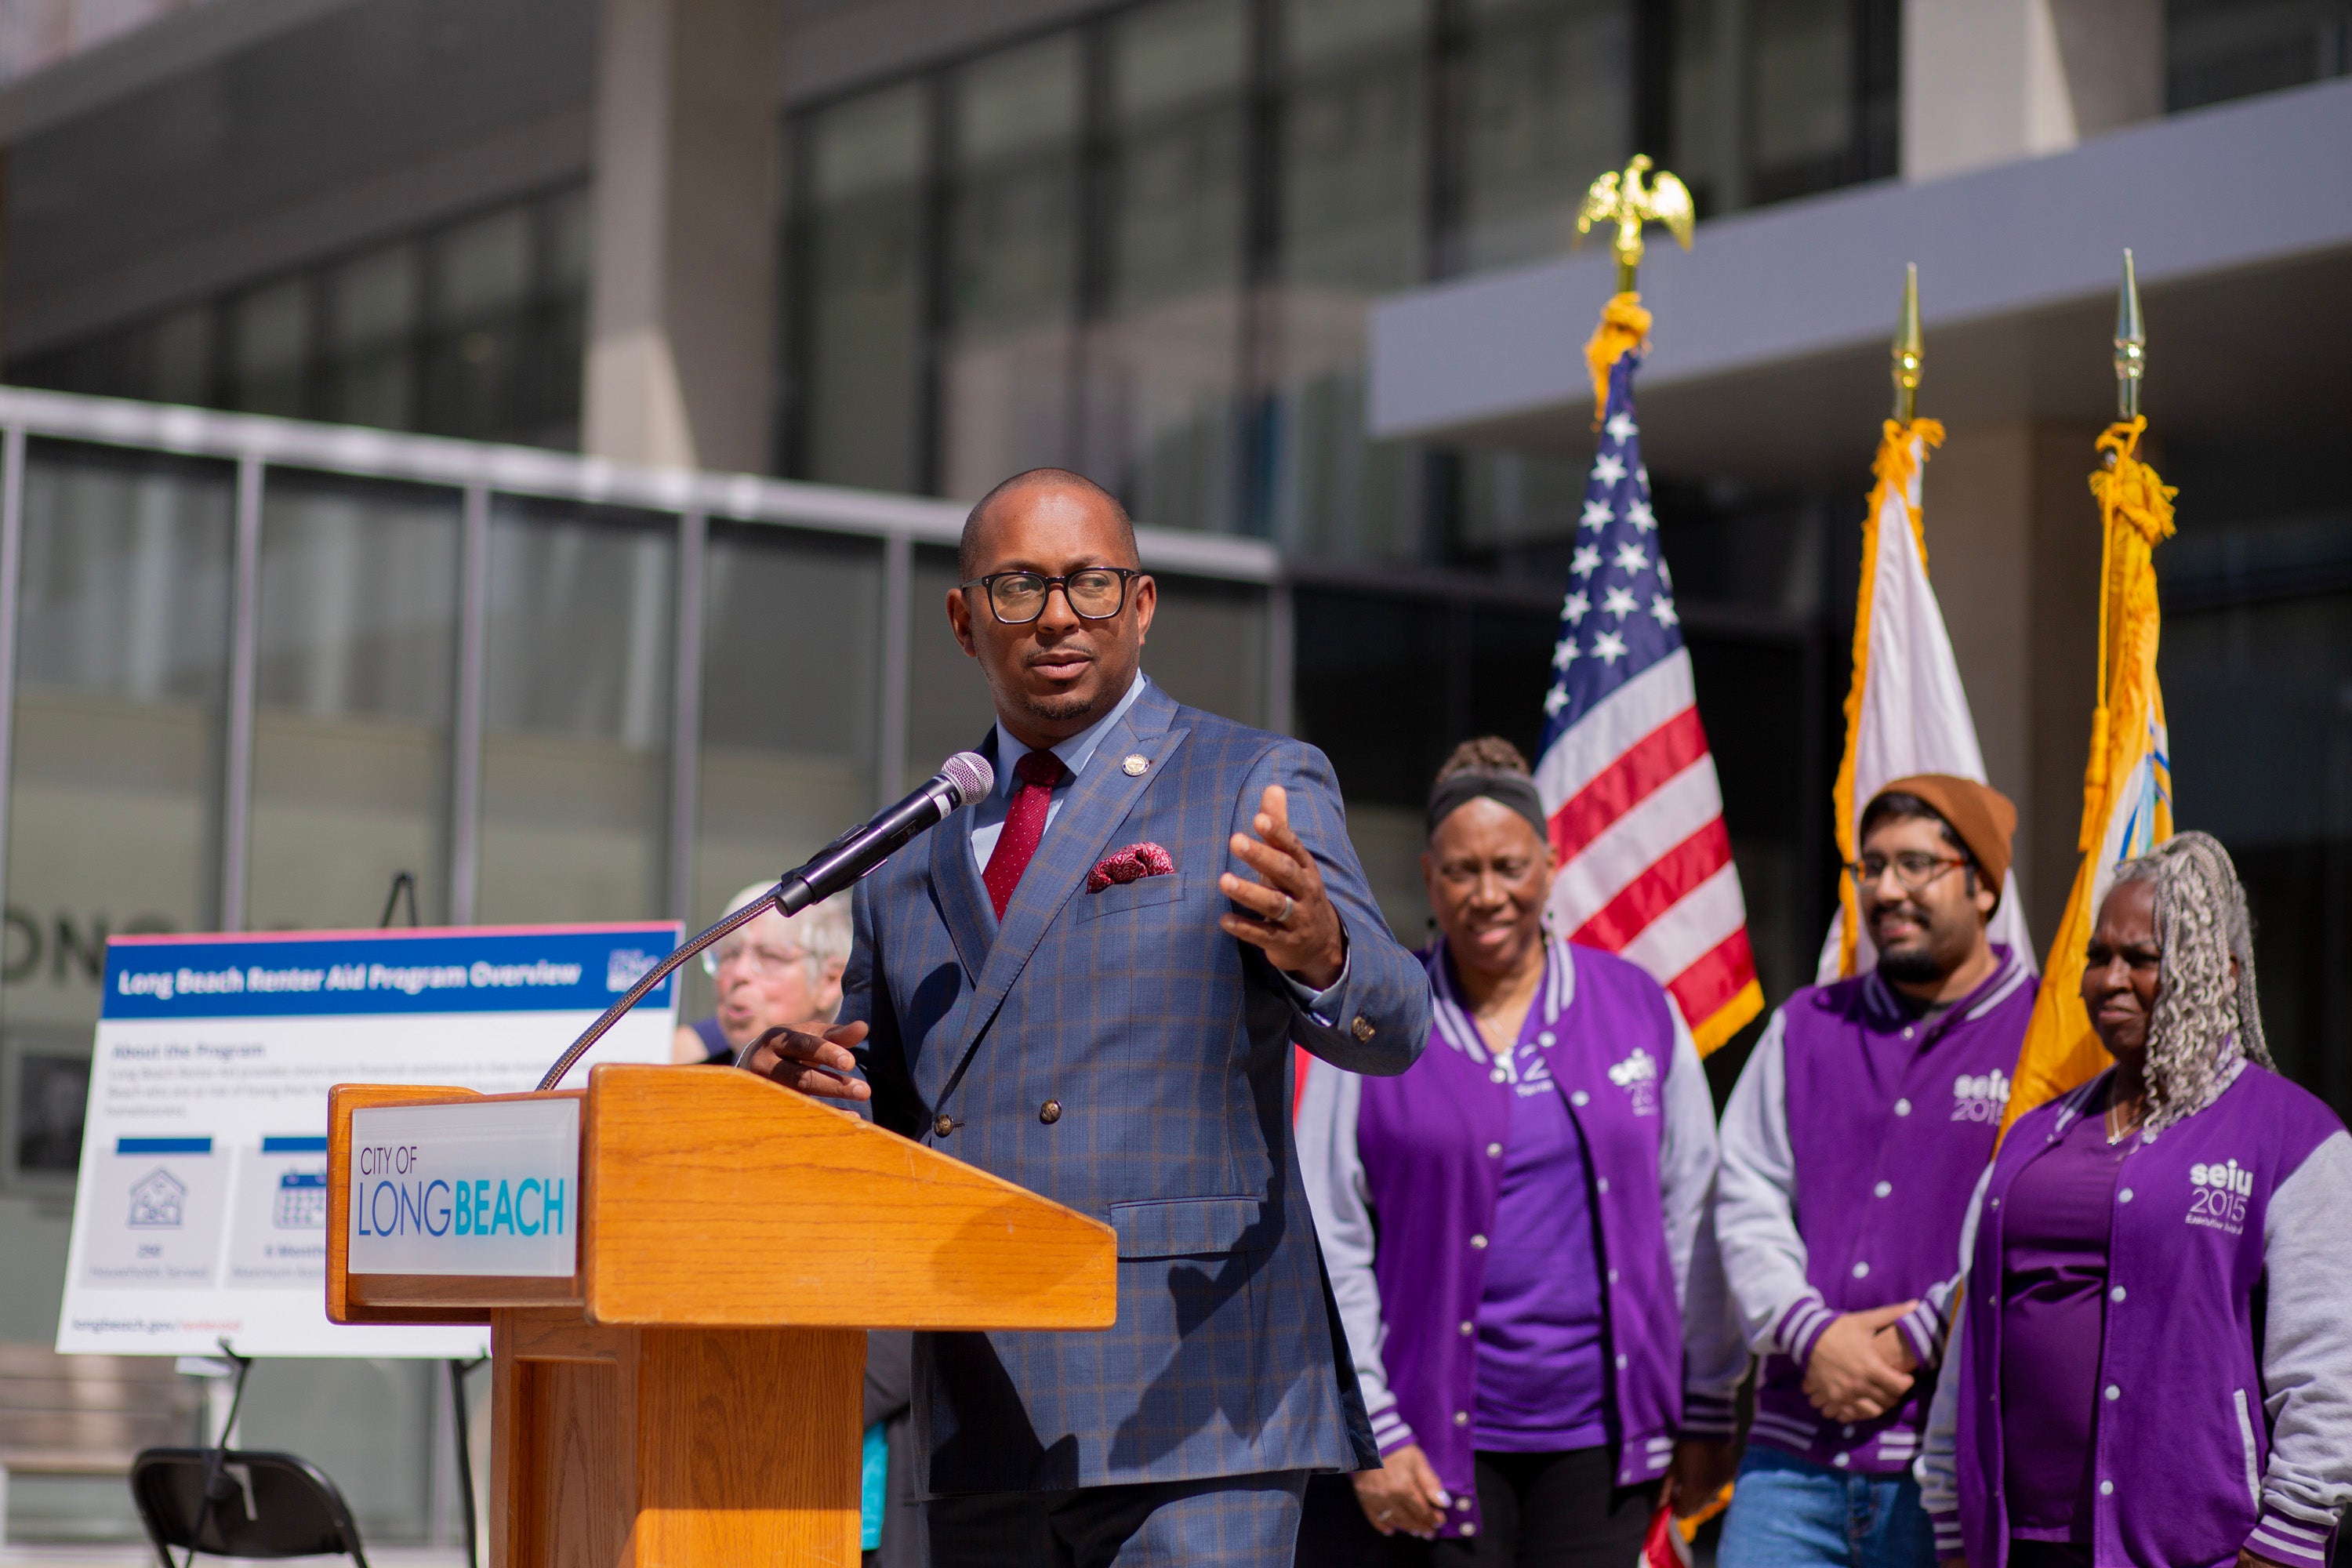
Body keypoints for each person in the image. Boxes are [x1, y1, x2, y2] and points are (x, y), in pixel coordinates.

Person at [740, 466, 1431, 1566]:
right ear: (965, 622)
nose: (1058, 616)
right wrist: (794, 1107)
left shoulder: (1250, 779)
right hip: (973, 1409)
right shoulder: (908, 849)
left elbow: (1397, 1025)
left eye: (1090, 585)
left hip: (1191, 1402)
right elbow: (877, 1120)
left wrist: (1327, 952)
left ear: (1142, 606)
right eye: (1018, 589)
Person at [1296, 738, 1745, 1565]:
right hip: (1428, 1448)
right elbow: (1330, 1237)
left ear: (1550, 864)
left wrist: (1709, 1401)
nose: (1487, 893)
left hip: (1605, 1450)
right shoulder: (1381, 1019)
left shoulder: (1639, 1009)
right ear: (1430, 876)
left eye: (1509, 865)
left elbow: (1696, 1215)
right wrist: (1372, 1429)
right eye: (1462, 871)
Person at [1919, 833, 2352, 1568]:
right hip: (2014, 1544)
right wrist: (1947, 1511)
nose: (2109, 979)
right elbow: (1973, 1334)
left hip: (2194, 1550)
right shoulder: (2032, 1137)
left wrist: (2285, 1542)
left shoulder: (2292, 1135)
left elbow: (2328, 1363)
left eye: (2142, 959)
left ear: (2220, 974)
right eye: (2097, 957)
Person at [1713, 775, 2036, 1566]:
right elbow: (1745, 1191)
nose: (1887, 889)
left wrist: (1918, 1335)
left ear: (1984, 883)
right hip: (1788, 1463)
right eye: (1872, 866)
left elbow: (2038, 1224)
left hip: (1949, 1464)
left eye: (1916, 864)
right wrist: (1809, 1331)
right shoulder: (1806, 1024)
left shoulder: (2044, 1040)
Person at [670, 882, 852, 1064]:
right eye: (729, 955)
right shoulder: (693, 1079)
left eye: (770, 956)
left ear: (830, 981)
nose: (739, 973)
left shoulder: (858, 1085)